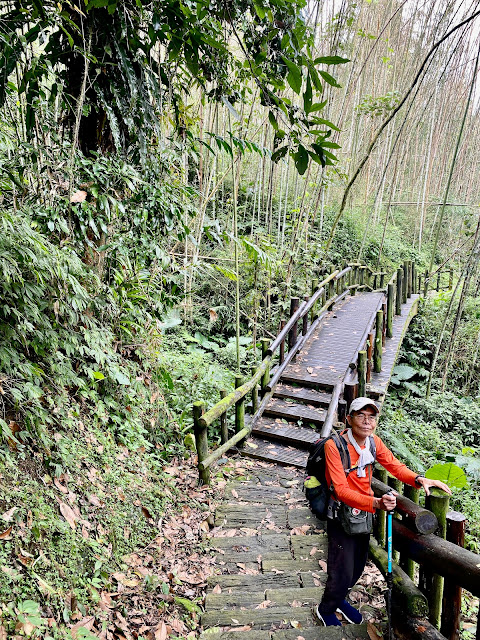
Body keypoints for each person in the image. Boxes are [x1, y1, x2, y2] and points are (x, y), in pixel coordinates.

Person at [316, 396, 451, 627]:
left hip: (363, 514)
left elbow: (395, 466)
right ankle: (326, 608)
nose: (367, 421)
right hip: (341, 514)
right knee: (342, 567)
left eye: (372, 416)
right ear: (349, 419)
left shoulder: (373, 442)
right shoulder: (334, 446)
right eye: (361, 415)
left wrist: (419, 479)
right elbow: (339, 490)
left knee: (358, 565)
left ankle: (339, 600)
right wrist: (377, 504)